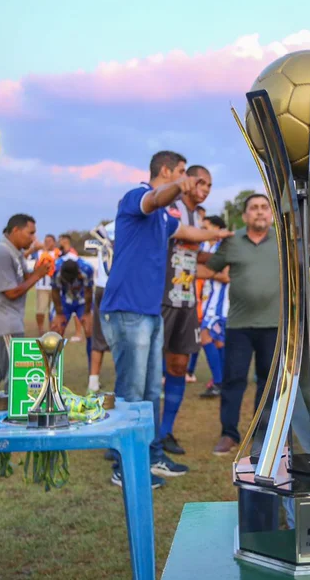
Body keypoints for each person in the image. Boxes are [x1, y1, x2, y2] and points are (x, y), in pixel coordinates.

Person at [100, 150, 230, 487]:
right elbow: (156, 197)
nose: (186, 179)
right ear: (168, 170)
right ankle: (123, 464)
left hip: (149, 310)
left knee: (149, 390)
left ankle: (151, 455)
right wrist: (178, 187)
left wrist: (223, 237)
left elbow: (188, 233)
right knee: (130, 389)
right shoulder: (138, 198)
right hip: (127, 309)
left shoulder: (163, 219)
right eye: (183, 172)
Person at [206, 194, 280, 456]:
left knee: (268, 382)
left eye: (264, 207)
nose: (259, 212)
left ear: (271, 213)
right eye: (254, 208)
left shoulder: (285, 242)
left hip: (275, 325)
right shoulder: (232, 241)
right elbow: (210, 267)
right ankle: (229, 434)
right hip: (239, 325)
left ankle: (263, 434)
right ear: (245, 215)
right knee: (233, 380)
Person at [159, 165, 214, 456]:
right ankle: (140, 431)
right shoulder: (172, 207)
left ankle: (166, 431)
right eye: (201, 182)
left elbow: (194, 253)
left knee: (179, 365)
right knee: (148, 369)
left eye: (209, 186)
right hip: (161, 297)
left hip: (187, 298)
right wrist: (214, 236)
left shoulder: (197, 216)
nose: (204, 189)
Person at [0, 214, 51, 395]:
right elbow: (11, 292)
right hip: (3, 321)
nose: (33, 238)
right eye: (30, 233)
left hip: (10, 319)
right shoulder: (1, 253)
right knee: (13, 370)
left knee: (1, 368)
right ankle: (8, 406)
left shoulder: (15, 251)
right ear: (16, 230)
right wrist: (37, 275)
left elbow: (24, 279)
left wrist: (37, 271)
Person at [198, 216, 231, 399]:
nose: (203, 230)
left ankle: (219, 382)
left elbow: (226, 277)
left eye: (206, 227)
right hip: (208, 301)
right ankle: (224, 380)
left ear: (217, 228)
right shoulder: (205, 248)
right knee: (218, 341)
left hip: (219, 303)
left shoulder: (222, 248)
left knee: (206, 336)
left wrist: (205, 273)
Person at [52, 254, 95, 361]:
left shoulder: (87, 269)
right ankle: (51, 370)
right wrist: (59, 314)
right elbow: (55, 291)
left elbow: (88, 292)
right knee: (56, 331)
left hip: (82, 301)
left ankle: (92, 373)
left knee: (90, 330)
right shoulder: (55, 269)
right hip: (64, 300)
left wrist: (87, 313)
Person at [88, 222, 114, 392]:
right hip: (117, 287)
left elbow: (90, 246)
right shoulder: (131, 226)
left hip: (100, 286)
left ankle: (93, 381)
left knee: (98, 336)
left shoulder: (106, 229)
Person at [32, 234, 59, 336]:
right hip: (42, 286)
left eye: (49, 241)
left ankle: (53, 329)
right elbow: (35, 268)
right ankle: (41, 329)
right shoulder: (39, 253)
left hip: (55, 286)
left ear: (54, 242)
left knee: (53, 310)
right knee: (40, 309)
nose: (47, 243)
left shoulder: (58, 253)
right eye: (45, 241)